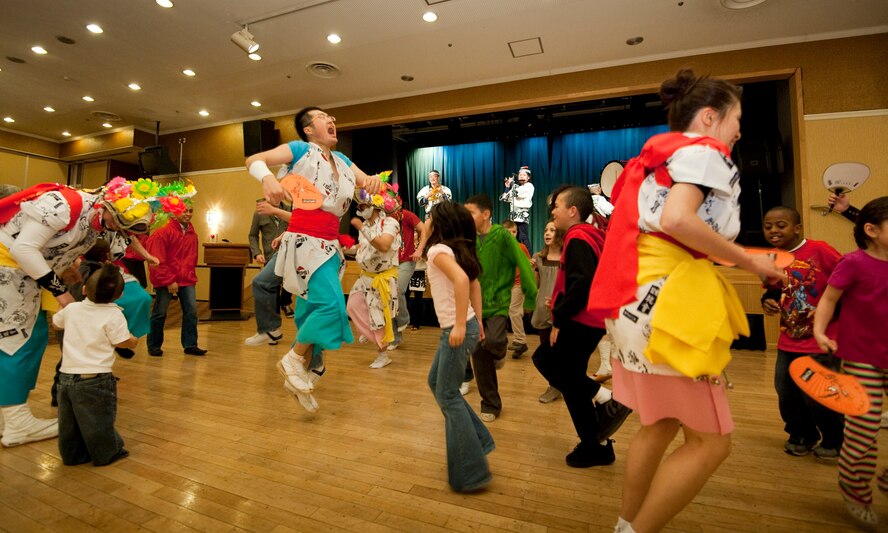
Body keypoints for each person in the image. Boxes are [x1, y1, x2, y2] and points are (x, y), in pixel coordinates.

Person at [587, 69, 784, 532]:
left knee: (660, 424)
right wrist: (753, 264)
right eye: (737, 119)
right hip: (668, 303)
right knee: (712, 443)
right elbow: (678, 219)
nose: (739, 130)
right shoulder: (706, 150)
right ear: (711, 116)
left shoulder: (659, 158)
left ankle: (626, 524)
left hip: (635, 301)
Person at [0, 177, 169, 447]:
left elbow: (52, 245)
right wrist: (60, 291)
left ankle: (8, 414)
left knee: (23, 341)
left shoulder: (99, 216)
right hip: (9, 271)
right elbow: (22, 247)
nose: (114, 229)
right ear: (107, 206)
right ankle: (17, 422)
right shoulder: (64, 205)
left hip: (24, 275)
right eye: (114, 223)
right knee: (18, 342)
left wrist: (64, 266)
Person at [245, 106, 382, 413]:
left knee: (308, 316)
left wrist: (373, 182)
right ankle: (292, 360)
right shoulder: (299, 150)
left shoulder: (344, 162)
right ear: (308, 129)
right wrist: (267, 178)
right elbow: (253, 159)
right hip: (307, 242)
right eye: (322, 118)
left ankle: (303, 375)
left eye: (332, 117)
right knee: (332, 306)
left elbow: (366, 181)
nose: (331, 120)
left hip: (330, 244)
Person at [534, 186, 631, 468]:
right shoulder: (592, 236)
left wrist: (559, 319)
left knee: (549, 363)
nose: (553, 211)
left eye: (557, 206)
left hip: (581, 320)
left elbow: (582, 285)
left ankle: (606, 400)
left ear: (573, 211)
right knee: (571, 380)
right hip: (590, 320)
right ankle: (597, 443)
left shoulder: (577, 238)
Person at [813, 196, 888, 527]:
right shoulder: (854, 263)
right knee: (863, 431)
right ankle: (855, 489)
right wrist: (819, 332)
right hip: (861, 358)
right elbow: (829, 299)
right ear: (871, 230)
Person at [760, 206, 844, 459]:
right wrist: (768, 300)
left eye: (781, 225)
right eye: (768, 226)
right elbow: (773, 289)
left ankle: (834, 439)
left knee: (817, 394)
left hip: (822, 339)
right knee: (787, 393)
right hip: (789, 339)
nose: (774, 230)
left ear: (797, 228)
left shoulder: (819, 249)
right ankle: (802, 435)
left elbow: (845, 279)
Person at [425, 201, 492, 492]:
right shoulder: (452, 250)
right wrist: (476, 321)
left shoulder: (438, 251)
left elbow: (464, 280)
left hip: (456, 329)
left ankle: (472, 471)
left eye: (430, 219)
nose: (426, 223)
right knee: (436, 382)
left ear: (439, 225)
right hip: (463, 325)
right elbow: (474, 284)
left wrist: (464, 325)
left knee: (448, 395)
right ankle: (479, 439)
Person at [53, 264, 137, 466]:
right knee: (98, 419)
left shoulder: (72, 309)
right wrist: (133, 340)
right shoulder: (114, 314)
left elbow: (56, 323)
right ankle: (108, 453)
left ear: (83, 290)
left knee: (69, 423)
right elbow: (121, 342)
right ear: (119, 295)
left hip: (65, 377)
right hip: (95, 379)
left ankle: (73, 455)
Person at [463, 193, 537, 422]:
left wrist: (531, 296)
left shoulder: (503, 236)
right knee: (479, 354)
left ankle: (499, 353)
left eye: (471, 213)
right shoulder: (467, 238)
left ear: (486, 214)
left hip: (498, 303)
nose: (467, 217)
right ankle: (490, 404)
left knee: (493, 341)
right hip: (473, 306)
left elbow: (522, 262)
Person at [346, 183, 402, 368]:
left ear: (374, 206)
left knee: (378, 319)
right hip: (365, 276)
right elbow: (365, 248)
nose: (360, 210)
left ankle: (383, 354)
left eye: (362, 206)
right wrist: (348, 247)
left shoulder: (390, 223)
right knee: (352, 304)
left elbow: (384, 246)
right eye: (359, 207)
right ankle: (370, 331)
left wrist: (362, 228)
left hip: (382, 278)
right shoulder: (368, 226)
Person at [145, 202, 207, 357]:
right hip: (166, 280)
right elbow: (157, 260)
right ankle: (154, 345)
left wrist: (189, 276)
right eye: (184, 211)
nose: (188, 214)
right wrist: (169, 280)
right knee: (160, 313)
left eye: (190, 211)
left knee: (191, 312)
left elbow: (192, 258)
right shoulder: (162, 232)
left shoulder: (192, 233)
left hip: (186, 279)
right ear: (174, 213)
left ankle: (190, 345)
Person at [245, 199, 293, 346]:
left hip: (290, 255)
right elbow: (252, 235)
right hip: (270, 256)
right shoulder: (260, 212)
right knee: (267, 287)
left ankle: (277, 319)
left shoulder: (291, 209)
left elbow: (297, 226)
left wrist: (282, 236)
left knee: (268, 286)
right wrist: (256, 253)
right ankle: (272, 329)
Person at [530, 219, 564, 403]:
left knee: (560, 352)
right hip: (543, 311)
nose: (547, 233)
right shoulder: (539, 258)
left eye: (552, 230)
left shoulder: (567, 258)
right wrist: (530, 270)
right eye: (545, 229)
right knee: (546, 353)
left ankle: (559, 385)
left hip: (560, 311)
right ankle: (554, 385)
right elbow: (536, 284)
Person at [393, 208, 425, 348]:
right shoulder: (380, 215)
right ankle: (395, 337)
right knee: (389, 298)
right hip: (388, 262)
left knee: (398, 290)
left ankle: (404, 319)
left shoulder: (406, 215)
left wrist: (419, 249)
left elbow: (424, 229)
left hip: (406, 260)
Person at [501, 220, 531, 358]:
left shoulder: (521, 247)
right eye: (508, 232)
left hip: (519, 283)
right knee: (509, 311)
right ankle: (518, 342)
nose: (512, 234)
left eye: (514, 232)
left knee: (514, 311)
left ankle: (520, 340)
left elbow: (527, 264)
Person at [500, 166, 534, 250]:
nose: (521, 176)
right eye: (520, 174)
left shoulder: (529, 186)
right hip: (513, 216)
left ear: (528, 177)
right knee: (515, 237)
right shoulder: (516, 187)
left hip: (522, 215)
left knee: (523, 236)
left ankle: (528, 256)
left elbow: (519, 192)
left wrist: (512, 184)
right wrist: (507, 187)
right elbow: (505, 198)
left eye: (524, 175)